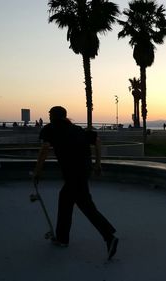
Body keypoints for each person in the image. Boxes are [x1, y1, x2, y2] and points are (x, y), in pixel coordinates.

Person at [32, 106, 118, 260]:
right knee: (68, 201)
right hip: (84, 170)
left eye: (50, 114)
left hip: (73, 174)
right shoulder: (77, 129)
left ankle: (108, 236)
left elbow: (44, 149)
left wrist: (38, 171)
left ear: (52, 116)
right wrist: (98, 164)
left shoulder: (50, 129)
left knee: (84, 205)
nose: (49, 117)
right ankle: (63, 238)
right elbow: (97, 141)